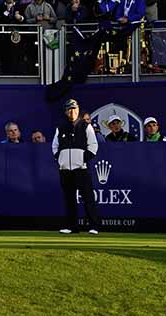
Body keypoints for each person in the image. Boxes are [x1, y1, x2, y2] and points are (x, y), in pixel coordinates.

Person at [52, 99, 100, 235]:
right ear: (65, 112)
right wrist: (61, 159)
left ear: (78, 110)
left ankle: (94, 226)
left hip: (82, 168)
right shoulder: (60, 127)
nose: (71, 112)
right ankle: (71, 227)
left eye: (74, 109)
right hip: (65, 169)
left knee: (88, 198)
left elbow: (93, 145)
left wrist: (83, 159)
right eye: (69, 109)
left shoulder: (86, 126)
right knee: (69, 199)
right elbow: (55, 146)